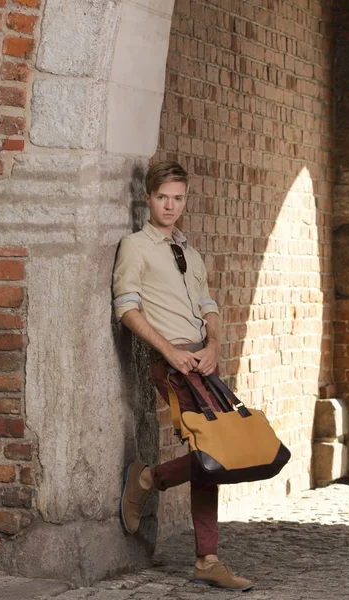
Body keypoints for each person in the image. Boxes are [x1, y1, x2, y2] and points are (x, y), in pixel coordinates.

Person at [113, 161, 253, 591]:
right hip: (172, 365)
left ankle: (149, 479)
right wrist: (171, 352)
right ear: (149, 199)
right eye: (162, 197)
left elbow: (208, 305)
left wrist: (213, 345)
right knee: (213, 455)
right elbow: (126, 308)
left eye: (177, 198)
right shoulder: (135, 246)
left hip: (204, 363)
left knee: (218, 452)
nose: (170, 206)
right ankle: (206, 558)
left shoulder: (190, 253)